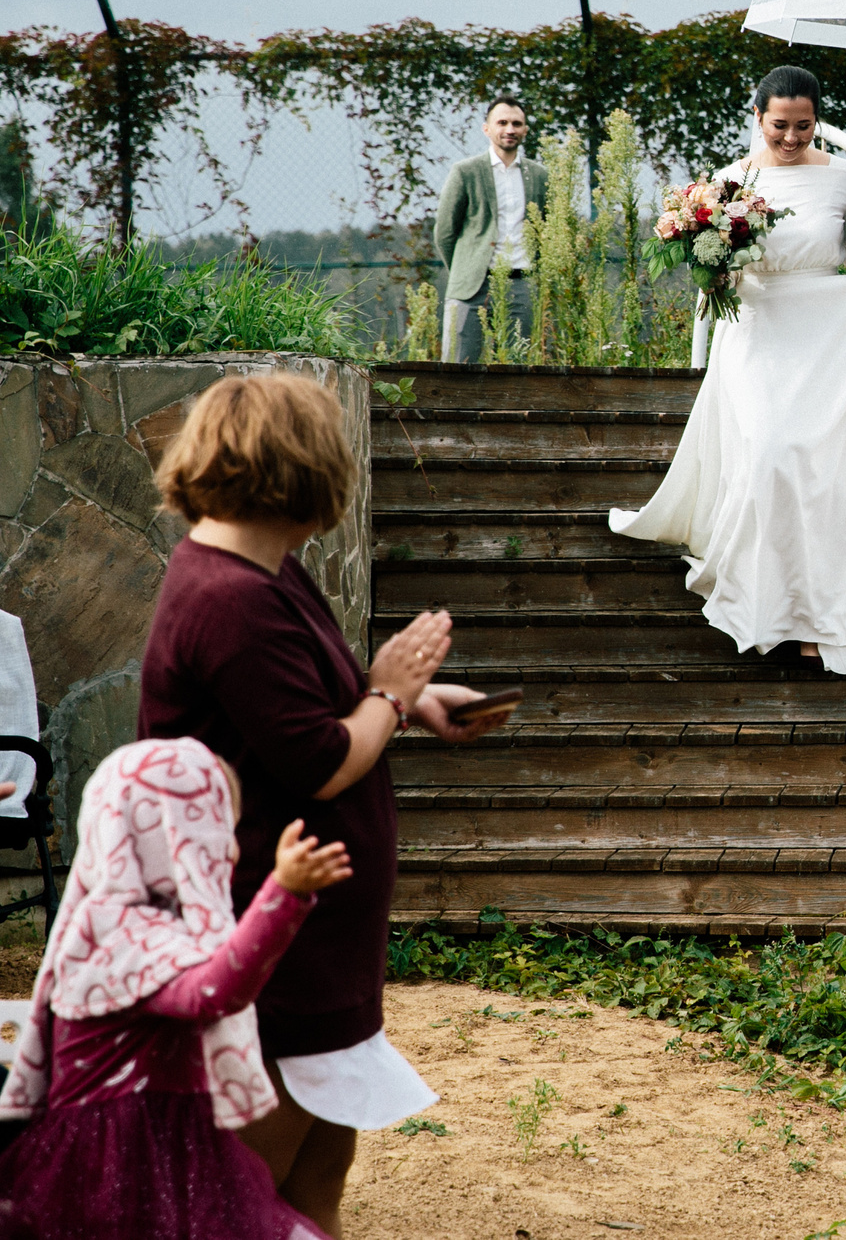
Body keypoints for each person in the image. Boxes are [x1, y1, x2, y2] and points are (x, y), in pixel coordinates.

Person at [138, 371, 509, 1235]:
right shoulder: (229, 598)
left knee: (314, 1182)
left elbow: (310, 704)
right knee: (238, 1199)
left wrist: (414, 699)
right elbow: (319, 760)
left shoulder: (263, 570)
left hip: (319, 951)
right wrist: (384, 692)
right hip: (269, 948)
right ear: (299, 472)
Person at [610, 67, 846, 673]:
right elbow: (712, 268)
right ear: (758, 118)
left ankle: (816, 619)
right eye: (779, 125)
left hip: (828, 335)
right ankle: (766, 610)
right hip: (757, 333)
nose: (791, 137)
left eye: (804, 126)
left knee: (822, 471)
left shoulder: (841, 177)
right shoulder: (729, 183)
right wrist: (714, 270)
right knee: (768, 457)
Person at [0, 737, 348, 1240]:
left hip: (172, 1147)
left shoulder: (142, 926)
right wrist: (283, 896)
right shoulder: (119, 931)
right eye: (216, 829)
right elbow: (211, 994)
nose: (231, 849)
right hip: (119, 1167)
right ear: (168, 835)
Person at [433, 95, 547, 363]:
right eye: (502, 122)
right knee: (459, 367)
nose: (510, 129)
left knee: (519, 369)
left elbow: (547, 229)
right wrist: (466, 268)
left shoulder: (540, 175)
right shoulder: (465, 172)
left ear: (525, 130)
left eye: (516, 124)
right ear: (487, 128)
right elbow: (445, 233)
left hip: (522, 285)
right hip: (472, 286)